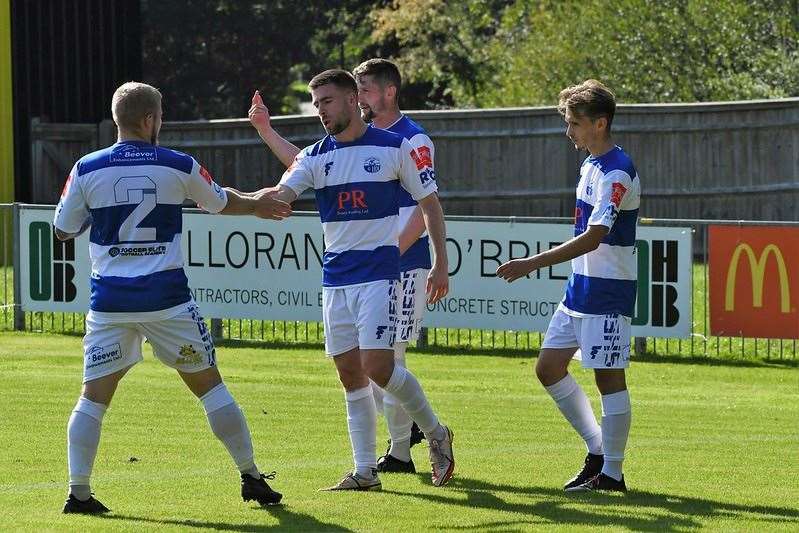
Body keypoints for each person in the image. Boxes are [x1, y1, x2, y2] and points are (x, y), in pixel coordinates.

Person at [55, 81, 292, 514]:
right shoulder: (177, 163)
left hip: (111, 304)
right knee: (211, 389)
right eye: (159, 117)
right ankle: (251, 476)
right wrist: (257, 201)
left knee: (92, 399)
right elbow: (220, 204)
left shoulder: (86, 167)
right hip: (167, 300)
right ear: (150, 120)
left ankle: (79, 493)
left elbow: (62, 228)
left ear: (116, 119)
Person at [248, 69, 454, 491]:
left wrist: (440, 261)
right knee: (350, 375)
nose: (320, 110)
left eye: (326, 101)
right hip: (335, 279)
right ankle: (365, 472)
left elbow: (429, 203)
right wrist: (246, 201)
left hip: (380, 275)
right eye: (316, 103)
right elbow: (284, 194)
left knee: (378, 366)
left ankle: (435, 432)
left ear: (348, 101)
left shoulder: (395, 146)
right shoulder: (314, 157)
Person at [497, 79, 639, 493]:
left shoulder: (617, 170)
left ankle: (612, 474)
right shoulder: (590, 165)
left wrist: (533, 263)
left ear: (601, 123)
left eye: (575, 123)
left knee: (609, 379)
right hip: (580, 287)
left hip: (608, 290)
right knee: (548, 368)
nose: (569, 132)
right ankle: (598, 450)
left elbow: (595, 235)